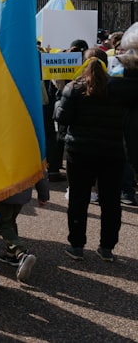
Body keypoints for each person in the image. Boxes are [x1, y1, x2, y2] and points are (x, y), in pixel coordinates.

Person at [55, 47, 138, 262]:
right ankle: (107, 247)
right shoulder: (120, 89)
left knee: (78, 198)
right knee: (110, 201)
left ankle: (76, 246)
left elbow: (62, 118)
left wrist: (59, 96)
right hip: (112, 151)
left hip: (79, 151)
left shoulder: (74, 88)